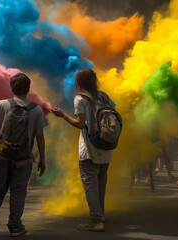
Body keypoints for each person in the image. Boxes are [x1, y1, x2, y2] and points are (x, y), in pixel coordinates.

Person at [0, 73, 47, 240]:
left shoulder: (0, 105)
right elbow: (39, 135)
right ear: (28, 89)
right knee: (18, 191)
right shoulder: (36, 109)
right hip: (24, 158)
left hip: (1, 154)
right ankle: (15, 225)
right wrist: (42, 159)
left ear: (12, 88)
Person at [51, 68, 117, 232]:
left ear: (79, 82)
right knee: (101, 183)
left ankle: (96, 221)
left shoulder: (80, 98)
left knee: (90, 184)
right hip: (106, 147)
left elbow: (80, 124)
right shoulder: (104, 96)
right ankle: (100, 215)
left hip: (89, 149)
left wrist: (63, 115)